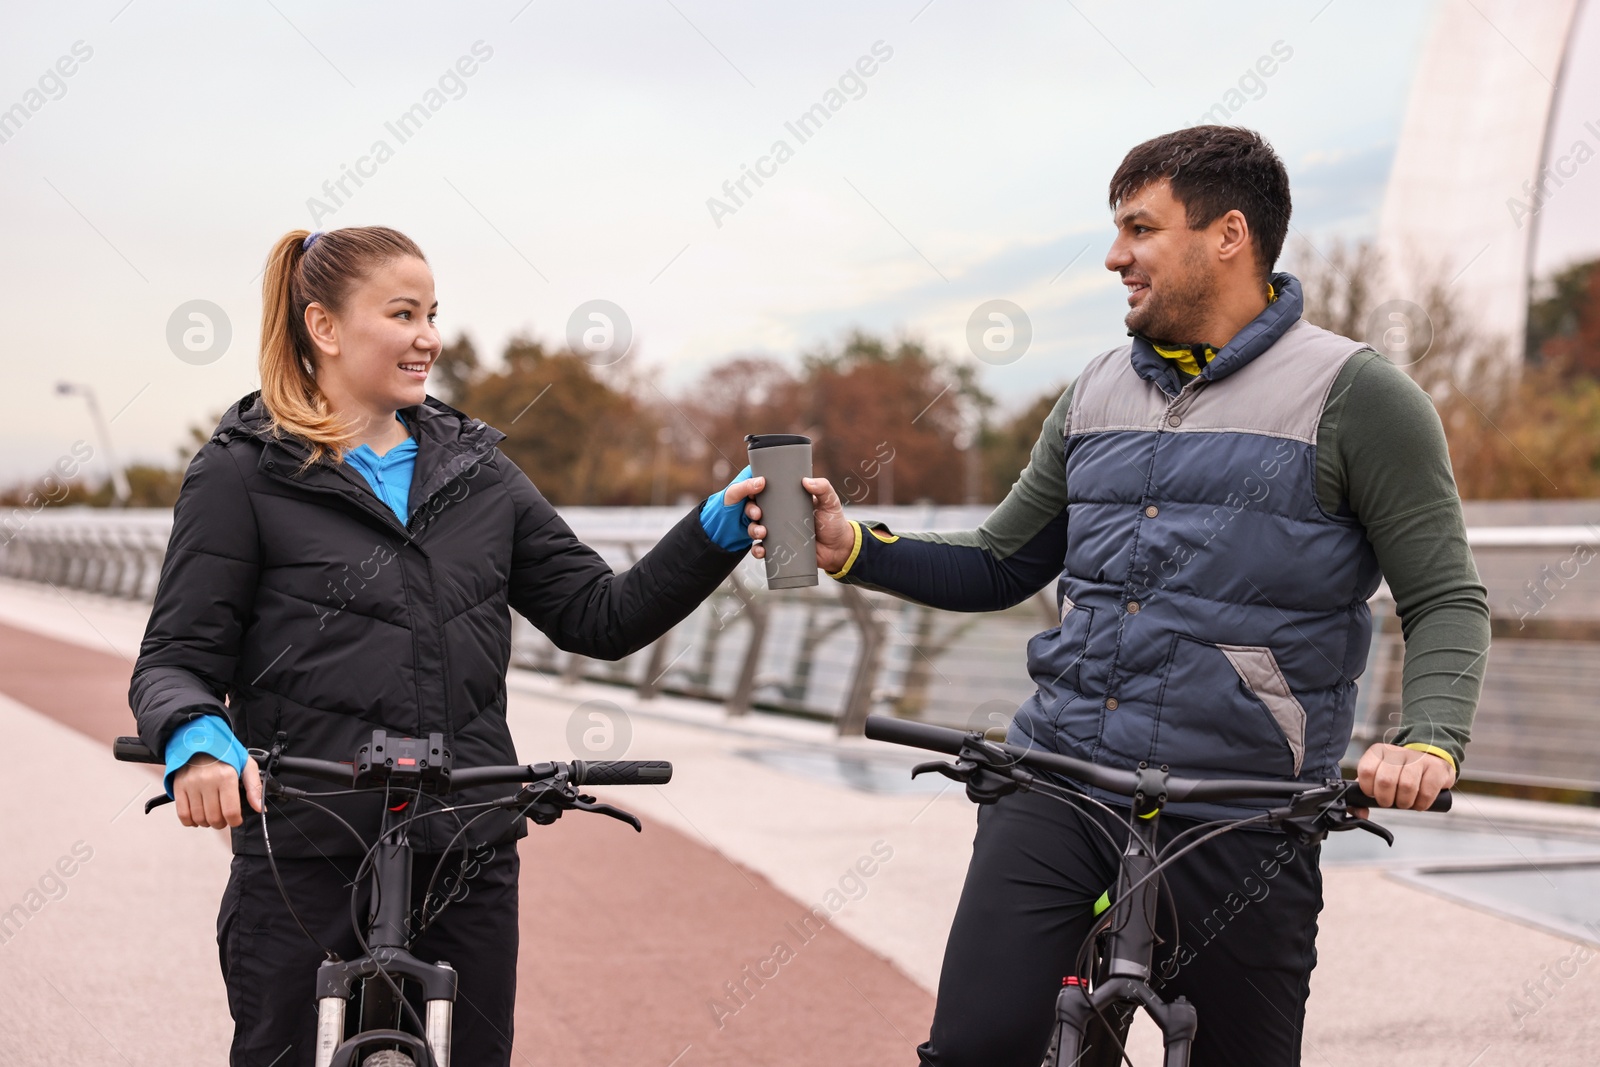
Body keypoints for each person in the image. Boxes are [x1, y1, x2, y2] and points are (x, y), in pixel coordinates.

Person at [747, 127, 1491, 1064]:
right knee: (978, 1045)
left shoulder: (1358, 396)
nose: (1115, 257)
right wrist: (850, 546)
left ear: (1229, 235)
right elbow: (1000, 563)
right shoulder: (1092, 390)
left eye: (1140, 228)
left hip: (1245, 805)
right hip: (1063, 780)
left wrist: (1428, 738)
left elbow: (1447, 597)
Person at [128, 226, 766, 1067]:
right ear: (323, 326)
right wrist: (195, 739)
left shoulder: (480, 471)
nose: (430, 335)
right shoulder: (240, 472)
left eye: (433, 313)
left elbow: (598, 616)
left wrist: (715, 527)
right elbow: (175, 657)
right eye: (403, 313)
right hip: (307, 848)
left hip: (467, 845)